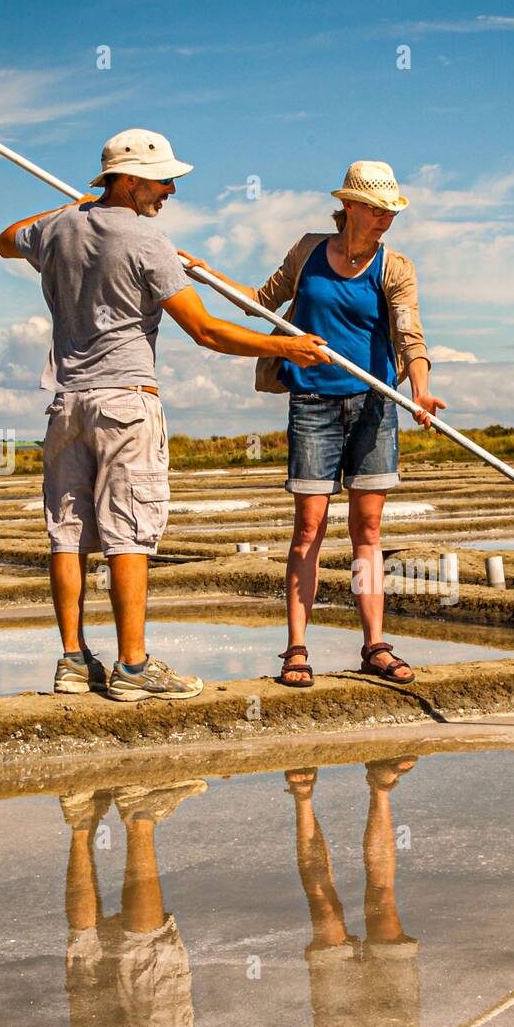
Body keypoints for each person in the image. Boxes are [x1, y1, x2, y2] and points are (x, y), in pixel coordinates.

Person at [0, 129, 329, 701]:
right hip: (127, 401)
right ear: (127, 179)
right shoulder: (149, 242)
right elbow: (205, 332)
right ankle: (132, 666)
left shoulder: (58, 230)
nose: (171, 189)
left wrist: (74, 206)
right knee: (129, 532)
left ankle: (73, 661)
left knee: (67, 535)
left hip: (67, 403)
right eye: (161, 180)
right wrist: (286, 346)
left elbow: (4, 240)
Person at [181, 161, 445, 688]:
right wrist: (205, 273)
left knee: (368, 532)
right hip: (313, 404)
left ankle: (375, 645)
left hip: (374, 406)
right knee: (308, 529)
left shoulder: (397, 267)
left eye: (391, 210)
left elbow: (409, 336)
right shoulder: (308, 251)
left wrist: (419, 391)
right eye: (375, 208)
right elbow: (261, 302)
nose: (385, 218)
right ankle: (297, 649)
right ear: (348, 205)